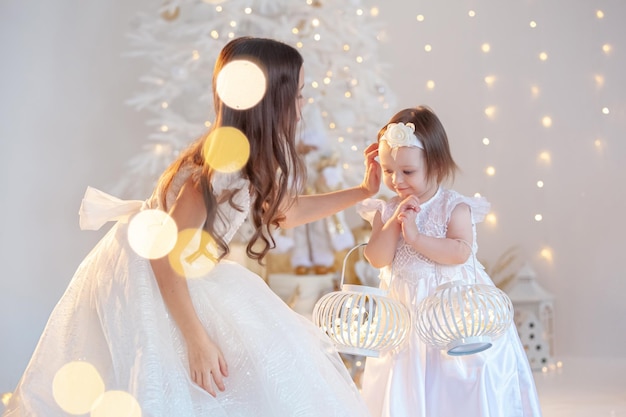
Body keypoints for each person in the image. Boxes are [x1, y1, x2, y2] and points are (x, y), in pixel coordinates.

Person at [3, 37, 379, 417]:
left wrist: (363, 190)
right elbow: (162, 255)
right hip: (151, 272)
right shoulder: (215, 175)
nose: (301, 110)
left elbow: (286, 212)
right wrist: (197, 339)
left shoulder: (244, 160)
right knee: (169, 375)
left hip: (185, 269)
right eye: (297, 97)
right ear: (271, 103)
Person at [357, 106, 542, 417]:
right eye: (389, 171)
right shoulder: (386, 210)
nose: (397, 180)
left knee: (458, 376)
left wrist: (415, 238)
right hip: (405, 316)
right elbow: (376, 258)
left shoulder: (453, 207)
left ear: (436, 166)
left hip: (451, 312)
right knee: (404, 375)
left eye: (408, 172)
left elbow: (459, 252)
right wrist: (393, 225)